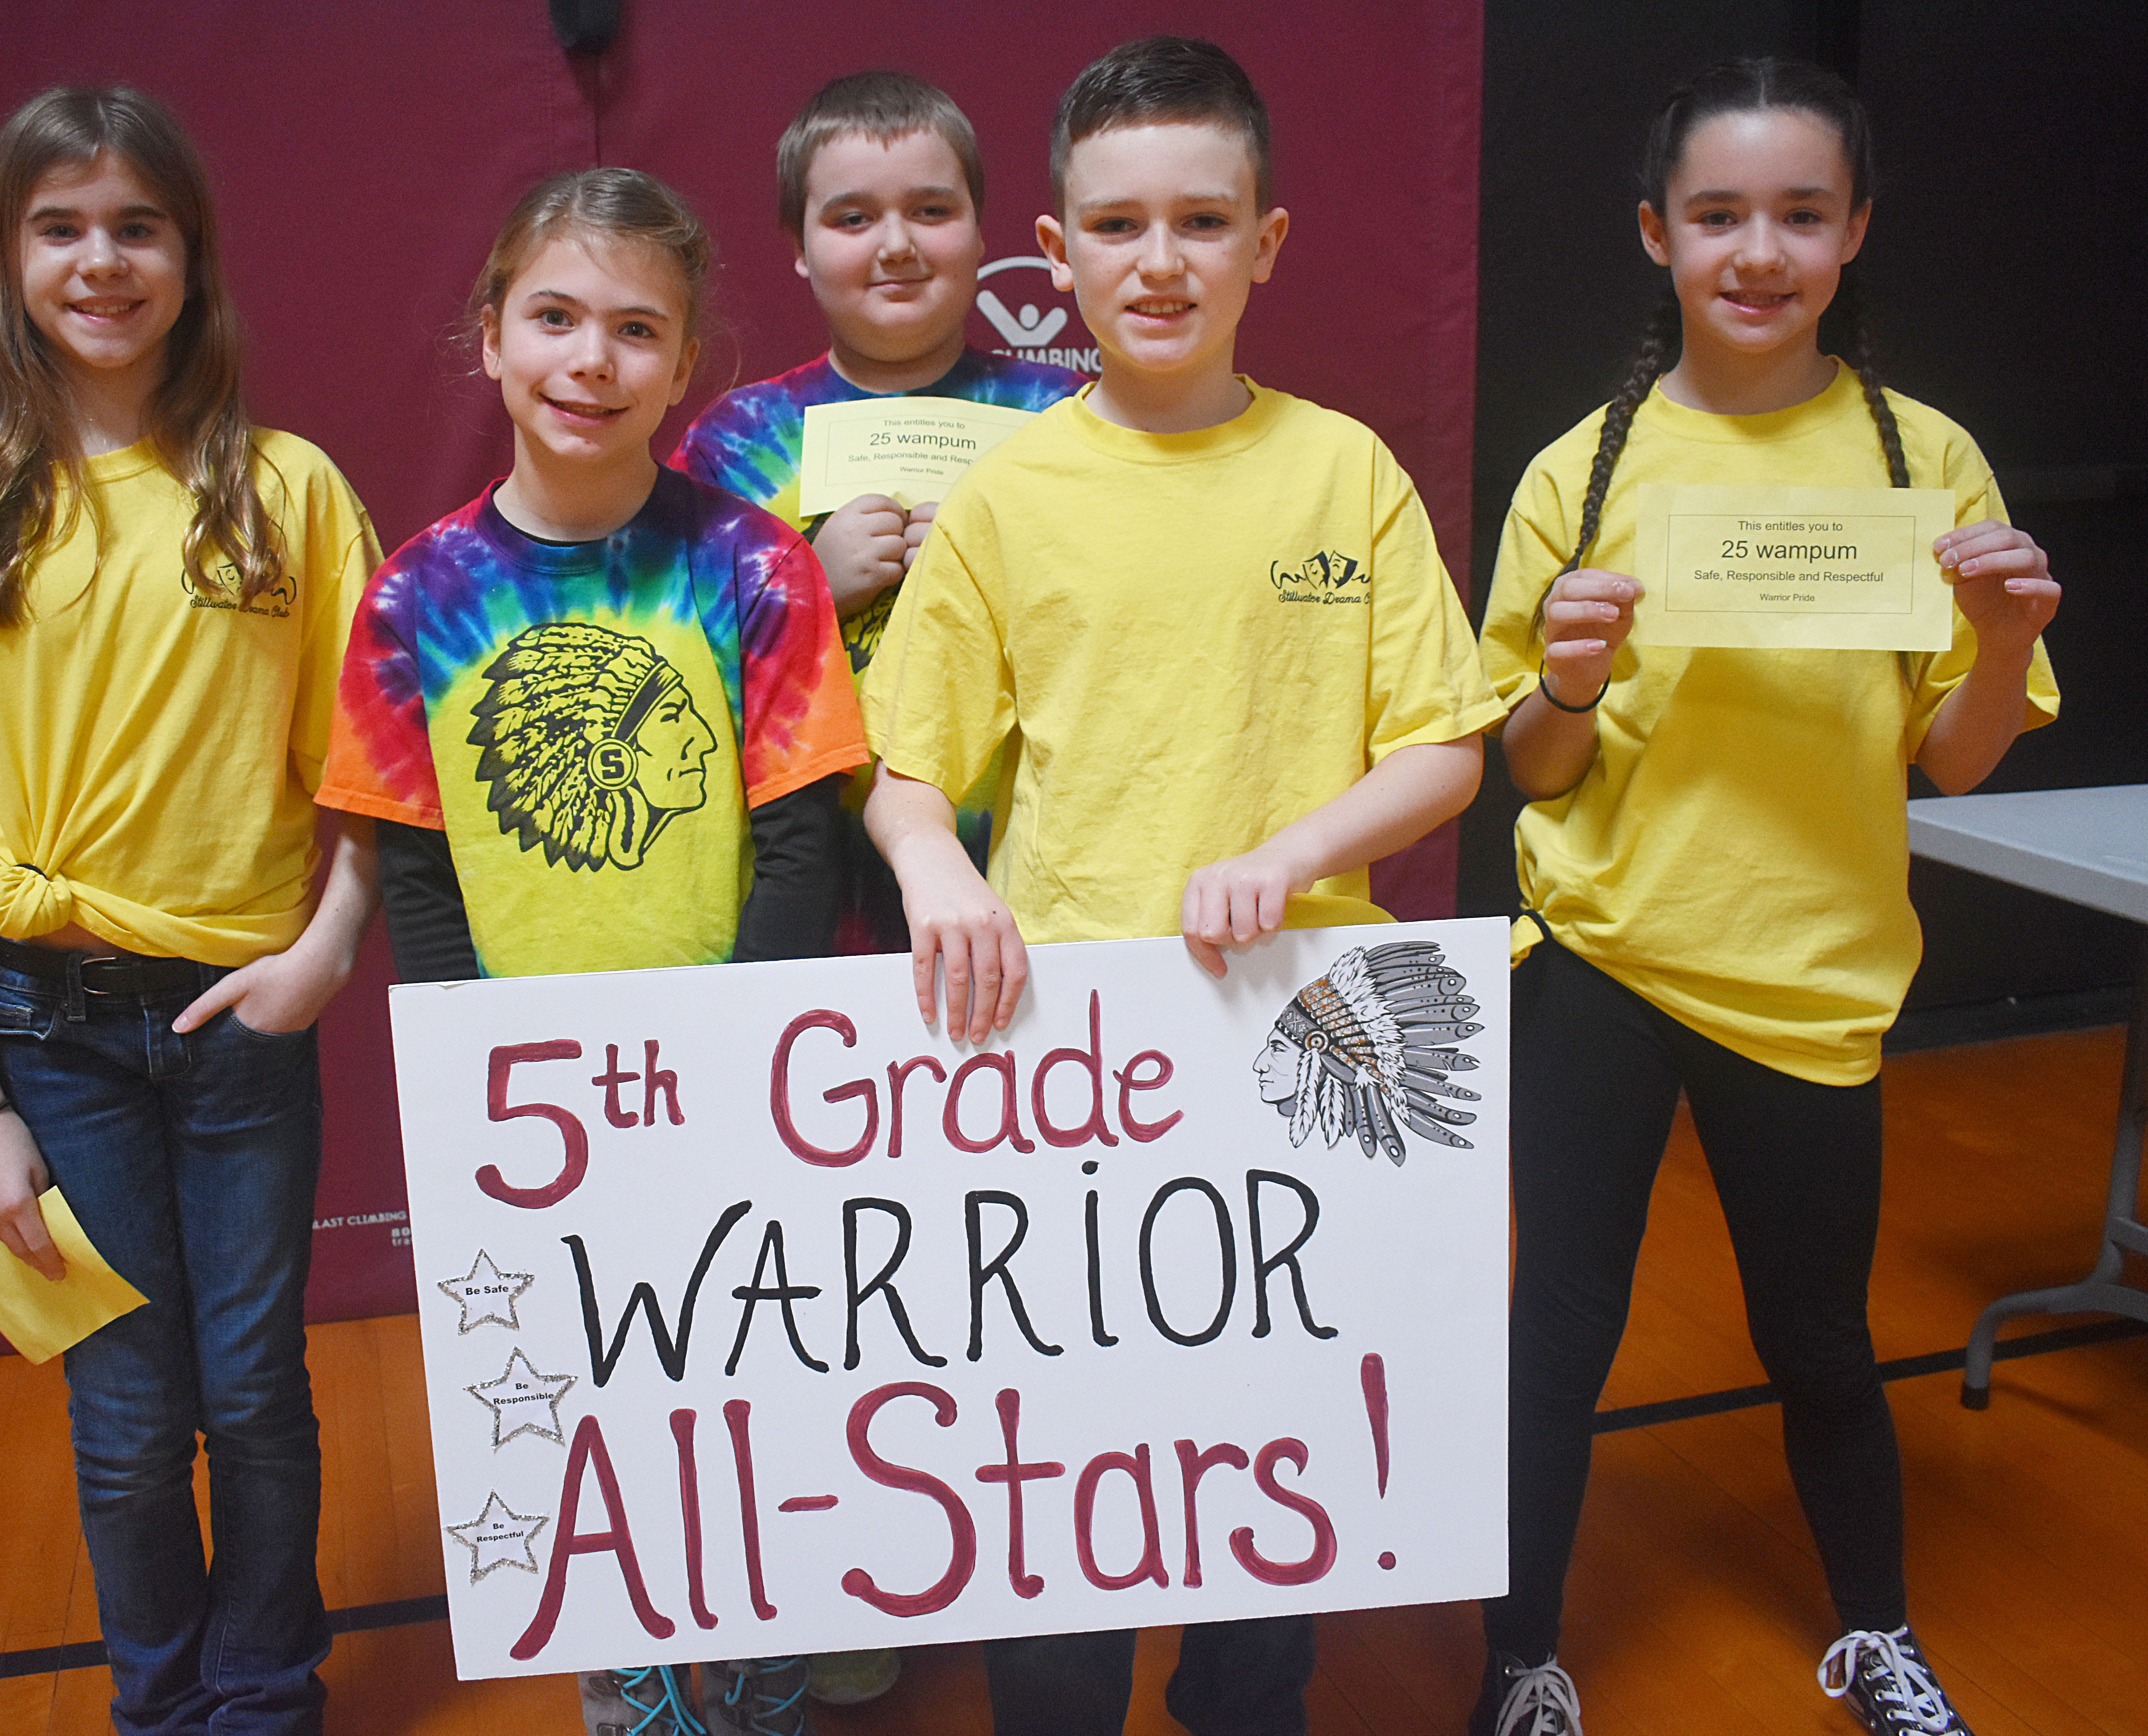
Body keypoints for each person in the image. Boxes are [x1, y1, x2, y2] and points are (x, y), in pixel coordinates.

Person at [860, 37, 1506, 1736]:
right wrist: (933, 861)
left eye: (1199, 222)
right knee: (1065, 1502)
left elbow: (1443, 741)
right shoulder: (1006, 495)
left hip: (1304, 1052)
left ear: (1264, 244)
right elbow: (903, 762)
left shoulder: (1342, 470)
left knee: (1259, 1495)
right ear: (1051, 257)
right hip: (1059, 1061)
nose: (1159, 262)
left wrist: (1291, 854)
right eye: (1116, 226)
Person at [1470, 57, 2060, 1736]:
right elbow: (1528, 770)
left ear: (1853, 231)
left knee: (1815, 1336)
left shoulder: (1921, 455)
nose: (1757, 249)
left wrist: (2006, 637)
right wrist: (1565, 682)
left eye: (1799, 213)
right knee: (1555, 1342)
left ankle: (1876, 1637)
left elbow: (1948, 761)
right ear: (1654, 234)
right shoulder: (1576, 471)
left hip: (1811, 976)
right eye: (1717, 214)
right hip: (1599, 952)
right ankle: (1517, 1662)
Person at [0, 88, 383, 1733]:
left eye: (137, 226)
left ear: (190, 258)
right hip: (47, 1031)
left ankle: (263, 1699)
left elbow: (376, 766)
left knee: (256, 1391)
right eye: (61, 227)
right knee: (127, 1417)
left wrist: (323, 952)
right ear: (8, 257)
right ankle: (159, 1705)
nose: (101, 260)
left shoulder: (284, 490)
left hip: (238, 1015)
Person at [313, 167, 865, 1736]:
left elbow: (796, 832)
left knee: (753, 1372)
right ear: (488, 337)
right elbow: (413, 870)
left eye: (635, 329)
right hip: (534, 1096)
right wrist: (482, 1069)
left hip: (734, 1073)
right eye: (553, 317)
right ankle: (629, 1667)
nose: (589, 358)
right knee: (580, 1393)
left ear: (681, 365)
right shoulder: (419, 593)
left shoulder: (757, 565)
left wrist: (739, 1056)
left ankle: (762, 1650)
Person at [671, 70, 1083, 956]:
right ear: (800, 245)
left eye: (931, 211)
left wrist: (1000, 577)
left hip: (1027, 893)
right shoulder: (739, 441)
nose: (895, 244)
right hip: (796, 905)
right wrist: (804, 585)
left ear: (982, 231)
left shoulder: (1071, 419)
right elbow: (663, 668)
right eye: (853, 219)